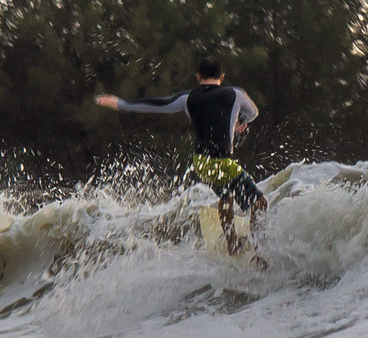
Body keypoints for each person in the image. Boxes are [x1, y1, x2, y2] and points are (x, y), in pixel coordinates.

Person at [95, 55, 268, 256]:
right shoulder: (235, 94)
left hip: (201, 163)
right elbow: (253, 113)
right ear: (222, 76)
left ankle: (232, 242)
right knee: (260, 203)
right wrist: (241, 121)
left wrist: (122, 104)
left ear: (198, 77)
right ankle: (258, 252)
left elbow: (157, 105)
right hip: (221, 163)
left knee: (226, 195)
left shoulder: (188, 99)